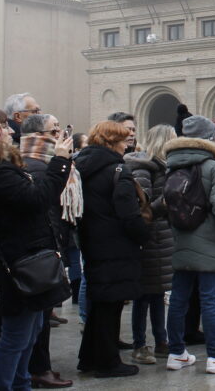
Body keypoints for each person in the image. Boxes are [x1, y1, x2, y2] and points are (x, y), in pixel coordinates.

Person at [0, 112, 72, 391]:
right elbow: (39, 199)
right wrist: (61, 162)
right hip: (19, 263)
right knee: (15, 337)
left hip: (27, 257)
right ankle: (5, 385)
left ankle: (21, 384)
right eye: (3, 129)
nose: (10, 133)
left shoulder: (6, 168)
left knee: (28, 334)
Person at [164, 116, 215, 375]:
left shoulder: (172, 165)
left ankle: (176, 352)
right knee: (210, 300)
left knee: (178, 298)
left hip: (181, 239)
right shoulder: (213, 166)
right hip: (210, 242)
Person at [75, 120, 150, 378]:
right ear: (112, 142)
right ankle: (108, 362)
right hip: (117, 244)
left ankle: (89, 357)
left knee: (99, 303)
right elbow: (128, 214)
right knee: (112, 305)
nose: (127, 142)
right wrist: (143, 234)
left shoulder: (83, 165)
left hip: (92, 240)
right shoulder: (117, 168)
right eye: (123, 139)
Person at [17, 113, 74, 388]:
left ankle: (36, 368)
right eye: (54, 131)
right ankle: (36, 369)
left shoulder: (39, 163)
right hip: (38, 250)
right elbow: (46, 201)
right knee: (36, 318)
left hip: (44, 247)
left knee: (38, 318)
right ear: (38, 136)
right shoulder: (37, 166)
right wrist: (62, 163)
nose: (59, 135)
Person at [125, 124, 177, 364]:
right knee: (143, 295)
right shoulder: (143, 168)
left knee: (157, 293)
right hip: (149, 238)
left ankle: (161, 340)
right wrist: (165, 202)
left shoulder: (164, 166)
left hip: (162, 236)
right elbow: (141, 207)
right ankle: (139, 344)